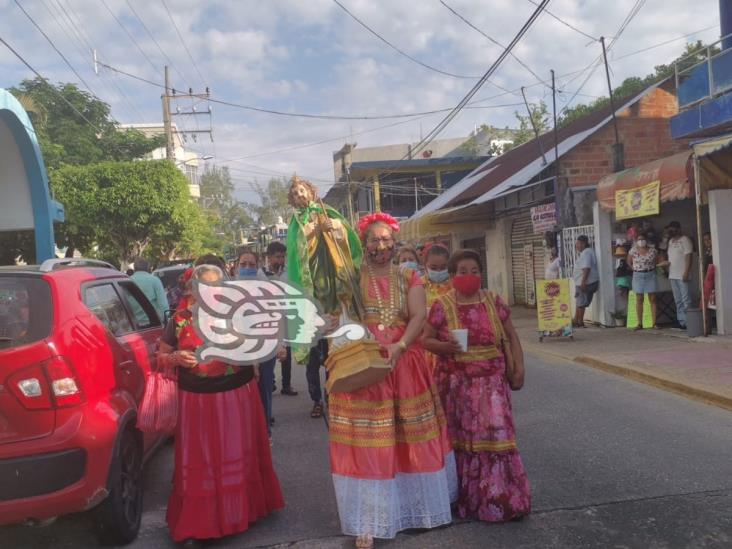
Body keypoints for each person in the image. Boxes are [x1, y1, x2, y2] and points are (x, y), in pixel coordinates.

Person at [328, 212, 456, 549]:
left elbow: (418, 316)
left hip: (404, 364)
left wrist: (399, 346)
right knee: (370, 443)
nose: (380, 245)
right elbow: (339, 316)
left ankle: (418, 510)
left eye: (386, 239)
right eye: (374, 239)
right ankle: (369, 521)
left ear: (394, 242)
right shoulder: (350, 276)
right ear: (364, 243)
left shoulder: (407, 275)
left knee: (408, 441)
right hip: (366, 366)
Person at [157, 264, 284, 544]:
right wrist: (177, 358)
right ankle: (201, 520)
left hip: (235, 396)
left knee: (234, 452)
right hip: (195, 401)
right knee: (201, 459)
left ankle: (239, 512)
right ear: (192, 291)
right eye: (205, 287)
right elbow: (162, 356)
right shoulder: (179, 319)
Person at [423, 249, 530, 522]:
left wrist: (519, 367)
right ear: (452, 275)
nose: (469, 276)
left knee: (496, 437)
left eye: (474, 271)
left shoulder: (494, 301)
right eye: (462, 272)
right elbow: (425, 340)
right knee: (463, 441)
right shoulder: (442, 305)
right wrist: (444, 346)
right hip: (456, 386)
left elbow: (511, 336)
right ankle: (465, 498)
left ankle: (501, 498)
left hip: (493, 385)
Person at [237, 248, 283, 439]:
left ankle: (265, 434)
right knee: (242, 395)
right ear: (236, 266)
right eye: (243, 264)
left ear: (258, 267)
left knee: (263, 391)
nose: (247, 268)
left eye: (251, 264)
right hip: (239, 351)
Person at [261, 241, 298, 396]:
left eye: (283, 257)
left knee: (286, 353)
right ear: (269, 258)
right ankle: (271, 383)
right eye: (277, 257)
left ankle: (286, 385)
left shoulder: (289, 272)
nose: (281, 260)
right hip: (268, 319)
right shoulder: (260, 274)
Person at [421, 244, 452, 371]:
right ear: (425, 266)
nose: (439, 271)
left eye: (443, 267)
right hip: (426, 344)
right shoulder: (418, 286)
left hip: (450, 343)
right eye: (434, 268)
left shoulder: (455, 285)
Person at [627, 232, 659, 330]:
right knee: (639, 299)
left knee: (652, 299)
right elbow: (628, 260)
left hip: (650, 274)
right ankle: (639, 323)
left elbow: (658, 260)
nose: (641, 241)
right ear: (636, 241)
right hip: (638, 275)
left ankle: (654, 323)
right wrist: (633, 267)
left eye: (643, 239)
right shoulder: (633, 250)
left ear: (646, 240)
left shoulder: (653, 251)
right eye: (639, 239)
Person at [665, 221, 693, 329]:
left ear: (678, 228)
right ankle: (681, 321)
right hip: (672, 275)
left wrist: (686, 271)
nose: (670, 231)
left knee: (686, 299)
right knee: (678, 300)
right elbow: (671, 258)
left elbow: (688, 257)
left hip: (682, 275)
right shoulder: (671, 241)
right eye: (669, 229)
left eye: (672, 229)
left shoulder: (685, 240)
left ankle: (689, 322)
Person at [572, 235, 599, 328]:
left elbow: (586, 268)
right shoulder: (586, 252)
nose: (576, 246)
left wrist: (583, 282)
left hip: (585, 282)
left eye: (578, 243)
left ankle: (580, 322)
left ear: (583, 244)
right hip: (582, 282)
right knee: (580, 301)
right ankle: (576, 320)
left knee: (581, 302)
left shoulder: (587, 253)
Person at [131, 258, 169, 322]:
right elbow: (163, 305)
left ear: (134, 269)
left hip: (132, 325)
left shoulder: (128, 280)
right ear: (148, 268)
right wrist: (166, 320)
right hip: (152, 324)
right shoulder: (154, 280)